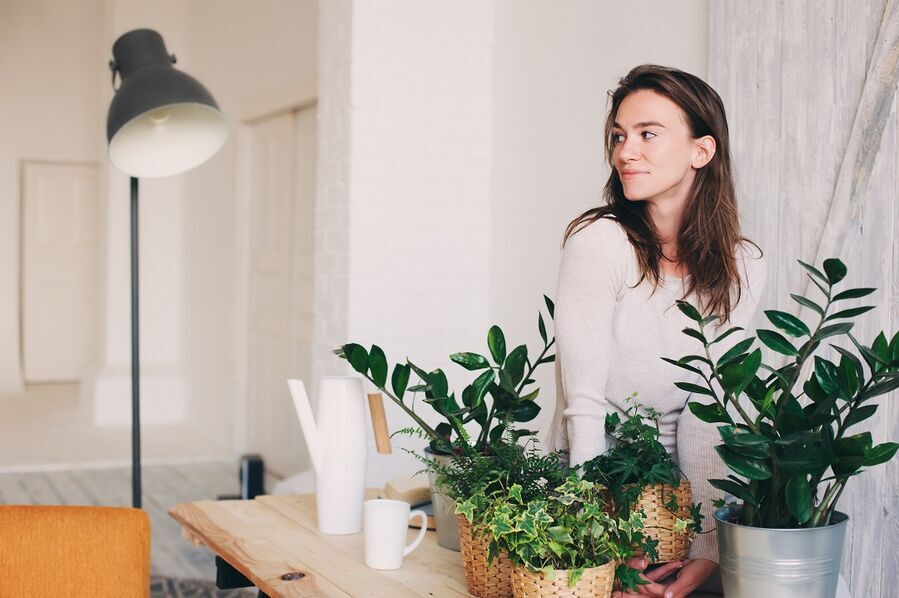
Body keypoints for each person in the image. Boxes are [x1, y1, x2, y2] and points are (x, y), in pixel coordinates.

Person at [548, 64, 768, 598]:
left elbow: (708, 410)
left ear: (702, 151)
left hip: (682, 497)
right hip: (590, 479)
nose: (626, 151)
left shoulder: (743, 265)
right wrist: (596, 536)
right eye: (619, 136)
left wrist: (705, 550)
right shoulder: (600, 242)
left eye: (648, 134)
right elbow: (584, 402)